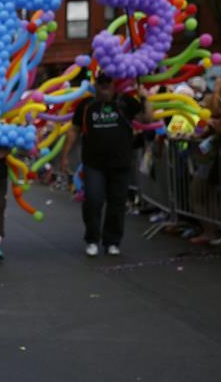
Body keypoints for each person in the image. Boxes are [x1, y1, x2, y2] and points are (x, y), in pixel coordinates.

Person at [60, 73, 153, 256]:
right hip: (94, 164)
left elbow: (147, 119)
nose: (104, 85)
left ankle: (112, 241)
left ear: (114, 83)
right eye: (100, 81)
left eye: (108, 81)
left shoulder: (125, 101)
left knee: (117, 203)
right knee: (93, 200)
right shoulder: (86, 105)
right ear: (95, 84)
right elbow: (74, 130)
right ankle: (92, 239)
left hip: (121, 163)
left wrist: (144, 97)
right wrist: (64, 155)